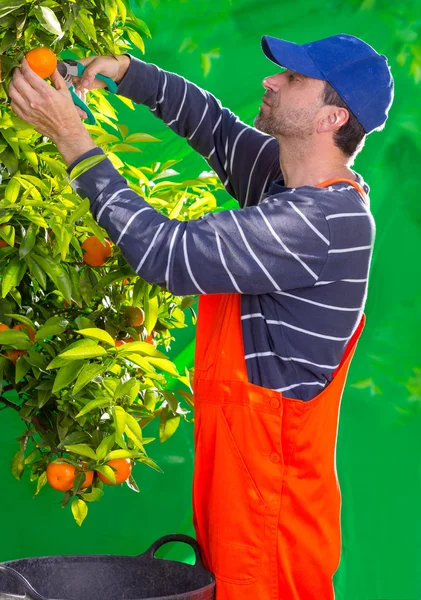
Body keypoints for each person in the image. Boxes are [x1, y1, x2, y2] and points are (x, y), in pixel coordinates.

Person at [9, 32, 393, 600]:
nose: (271, 80)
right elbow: (212, 124)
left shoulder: (323, 221)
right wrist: (125, 70)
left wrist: (73, 140)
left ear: (330, 117)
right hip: (243, 496)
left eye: (292, 79)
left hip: (271, 520)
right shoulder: (287, 183)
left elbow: (166, 253)